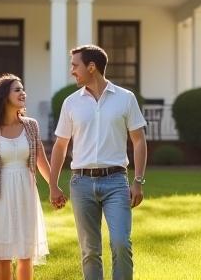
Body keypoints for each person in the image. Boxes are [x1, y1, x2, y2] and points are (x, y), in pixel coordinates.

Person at [49, 45, 148, 280]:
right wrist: (53, 185)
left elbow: (139, 142)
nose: (72, 70)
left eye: (75, 65)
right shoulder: (71, 102)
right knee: (90, 251)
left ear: (91, 67)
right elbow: (60, 146)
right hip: (81, 183)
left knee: (121, 243)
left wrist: (138, 181)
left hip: (116, 181)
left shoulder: (126, 98)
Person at [0, 73, 51, 280]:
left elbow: (41, 159)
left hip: (26, 190)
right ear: (3, 95)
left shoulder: (31, 125)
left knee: (26, 253)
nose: (23, 93)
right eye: (17, 89)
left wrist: (53, 186)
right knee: (2, 255)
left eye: (23, 89)